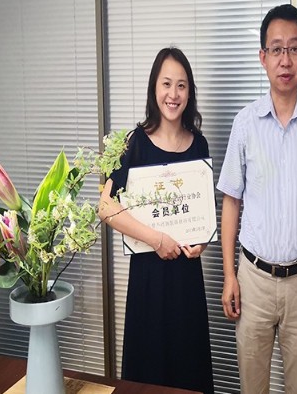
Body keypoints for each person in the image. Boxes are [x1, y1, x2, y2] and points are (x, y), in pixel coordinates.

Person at [217, 4, 297, 393]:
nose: (285, 60)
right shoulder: (245, 123)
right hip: (252, 279)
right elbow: (231, 201)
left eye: (293, 48)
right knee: (252, 387)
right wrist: (229, 275)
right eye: (276, 49)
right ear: (263, 57)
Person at [98, 47, 214, 393]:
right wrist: (155, 239)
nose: (173, 94)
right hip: (148, 280)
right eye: (166, 84)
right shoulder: (134, 143)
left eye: (181, 85)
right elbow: (105, 207)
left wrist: (202, 242)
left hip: (186, 280)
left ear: (189, 92)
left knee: (188, 369)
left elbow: (203, 212)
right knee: (148, 372)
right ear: (154, 88)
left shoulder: (199, 145)